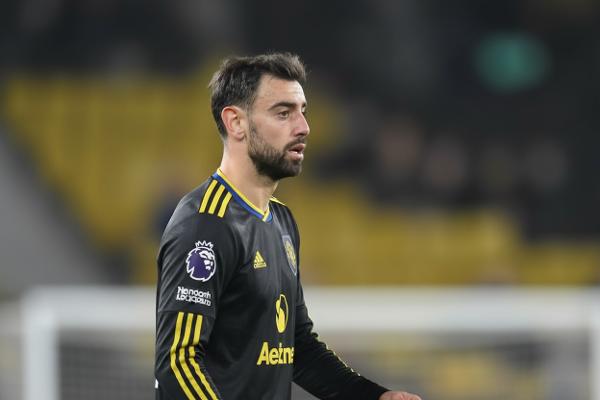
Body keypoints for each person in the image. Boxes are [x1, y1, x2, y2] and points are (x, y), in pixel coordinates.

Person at [154, 52, 422, 400]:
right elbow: (178, 363)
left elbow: (297, 348)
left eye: (303, 112)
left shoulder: (281, 221)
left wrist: (373, 396)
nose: (303, 127)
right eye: (283, 113)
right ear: (235, 123)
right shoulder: (205, 225)